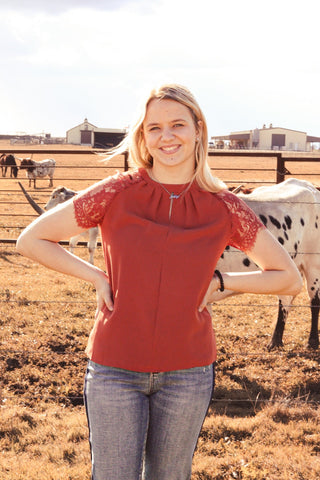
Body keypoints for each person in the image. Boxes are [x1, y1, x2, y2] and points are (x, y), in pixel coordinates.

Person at [16, 84, 302, 480]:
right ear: (143, 137)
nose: (166, 137)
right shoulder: (116, 193)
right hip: (114, 369)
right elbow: (31, 239)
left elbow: (288, 277)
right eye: (154, 128)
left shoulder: (224, 206)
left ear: (199, 130)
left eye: (178, 124)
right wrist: (96, 276)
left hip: (188, 372)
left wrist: (220, 281)